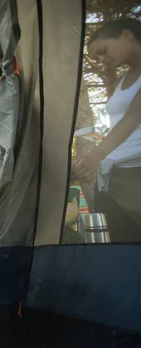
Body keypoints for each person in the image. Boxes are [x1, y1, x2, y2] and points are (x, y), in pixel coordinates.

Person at [73, 18, 141, 242]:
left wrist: (95, 155)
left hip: (136, 172)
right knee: (121, 245)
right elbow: (119, 124)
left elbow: (133, 116)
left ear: (126, 34)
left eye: (102, 51)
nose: (102, 60)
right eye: (96, 58)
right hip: (116, 174)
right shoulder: (122, 80)